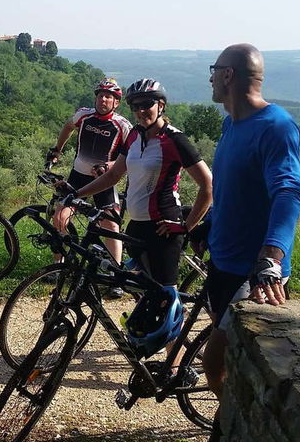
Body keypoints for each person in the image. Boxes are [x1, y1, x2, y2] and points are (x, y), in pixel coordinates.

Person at [199, 44, 300, 441]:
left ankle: (238, 426)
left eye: (215, 70)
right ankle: (235, 419)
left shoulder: (276, 126)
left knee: (215, 360)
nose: (210, 77)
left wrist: (272, 255)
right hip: (223, 263)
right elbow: (231, 188)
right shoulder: (230, 124)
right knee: (235, 359)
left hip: (253, 273)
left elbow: (289, 192)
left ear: (228, 76)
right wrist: (207, 224)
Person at [66, 78, 213, 318]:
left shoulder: (175, 140)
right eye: (135, 106)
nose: (140, 111)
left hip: (163, 228)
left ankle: (173, 354)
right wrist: (76, 193)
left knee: (166, 303)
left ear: (161, 106)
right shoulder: (134, 135)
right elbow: (113, 175)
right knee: (143, 291)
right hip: (135, 225)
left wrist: (186, 226)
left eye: (147, 104)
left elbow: (207, 185)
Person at [47, 77, 132, 298]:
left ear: (116, 102)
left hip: (103, 181)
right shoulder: (83, 115)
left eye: (108, 97)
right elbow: (67, 127)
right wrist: (58, 149)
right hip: (77, 177)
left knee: (111, 226)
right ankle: (60, 265)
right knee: (60, 218)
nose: (103, 99)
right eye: (100, 95)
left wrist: (110, 166)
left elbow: (130, 156)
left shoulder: (122, 126)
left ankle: (116, 278)